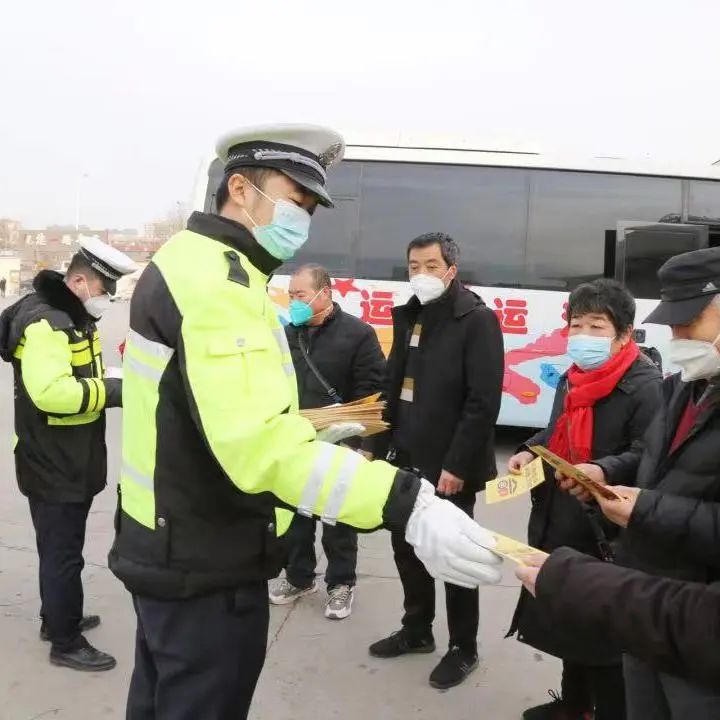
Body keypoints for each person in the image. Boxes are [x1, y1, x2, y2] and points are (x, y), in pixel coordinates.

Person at [108, 124, 504, 720]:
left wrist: (309, 429)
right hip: (204, 549)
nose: (304, 220)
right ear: (240, 190)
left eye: (312, 209)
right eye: (296, 200)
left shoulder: (203, 264)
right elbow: (259, 448)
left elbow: (214, 413)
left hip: (174, 534)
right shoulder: (217, 283)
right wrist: (408, 504)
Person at [536, 247, 720, 719]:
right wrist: (606, 476)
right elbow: (652, 462)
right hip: (644, 586)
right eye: (672, 324)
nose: (678, 337)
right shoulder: (684, 386)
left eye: (690, 321)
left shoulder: (646, 384)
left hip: (696, 619)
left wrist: (643, 508)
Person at [506, 279, 662, 720]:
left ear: (624, 334)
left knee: (604, 634)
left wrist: (604, 469)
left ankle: (606, 711)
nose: (584, 336)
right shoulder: (574, 376)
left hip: (607, 527)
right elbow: (556, 429)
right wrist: (528, 450)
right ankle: (574, 705)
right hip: (561, 515)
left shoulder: (646, 386)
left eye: (597, 326)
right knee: (568, 616)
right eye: (577, 325)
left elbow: (649, 454)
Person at [367, 232, 504, 690]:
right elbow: (392, 386)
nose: (421, 274)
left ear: (451, 270)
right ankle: (416, 630)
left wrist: (457, 465)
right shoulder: (411, 314)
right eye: (413, 266)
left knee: (453, 556)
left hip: (449, 466)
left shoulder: (477, 320)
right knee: (406, 549)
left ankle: (464, 648)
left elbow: (482, 402)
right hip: (404, 457)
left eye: (430, 265)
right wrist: (375, 446)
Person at [0, 237, 134, 671]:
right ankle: (65, 640)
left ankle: (58, 616)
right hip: (53, 461)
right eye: (104, 289)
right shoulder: (48, 324)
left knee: (62, 549)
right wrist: (114, 391)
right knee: (62, 554)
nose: (107, 298)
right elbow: (51, 394)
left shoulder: (71, 316)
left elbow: (78, 372)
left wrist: (110, 376)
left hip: (67, 456)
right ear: (78, 282)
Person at [269, 263, 385, 619]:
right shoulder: (287, 335)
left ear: (325, 294)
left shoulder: (358, 334)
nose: (294, 302)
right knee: (295, 515)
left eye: (300, 295)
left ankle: (341, 583)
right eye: (290, 295)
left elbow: (372, 390)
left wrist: (363, 444)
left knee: (338, 518)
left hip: (340, 442)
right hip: (295, 440)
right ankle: (299, 577)